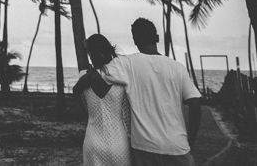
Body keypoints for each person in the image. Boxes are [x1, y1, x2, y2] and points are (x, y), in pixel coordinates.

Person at [76, 18, 201, 166]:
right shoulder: (178, 68)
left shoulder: (128, 64)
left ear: (134, 40)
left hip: (143, 148)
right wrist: (190, 143)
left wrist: (77, 88)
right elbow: (195, 106)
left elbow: (96, 75)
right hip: (177, 147)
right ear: (157, 38)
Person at [72, 34, 131, 166]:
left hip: (93, 140)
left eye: (90, 54)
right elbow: (126, 116)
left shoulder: (84, 77)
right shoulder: (122, 79)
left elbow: (83, 109)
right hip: (118, 142)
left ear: (95, 54)